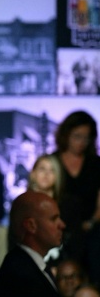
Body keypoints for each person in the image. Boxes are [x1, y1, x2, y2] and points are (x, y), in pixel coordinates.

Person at [52, 111, 100, 276]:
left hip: (91, 228)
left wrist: (90, 223)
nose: (82, 142)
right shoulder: (52, 162)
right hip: (58, 226)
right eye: (77, 136)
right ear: (66, 134)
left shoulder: (95, 165)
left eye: (86, 138)